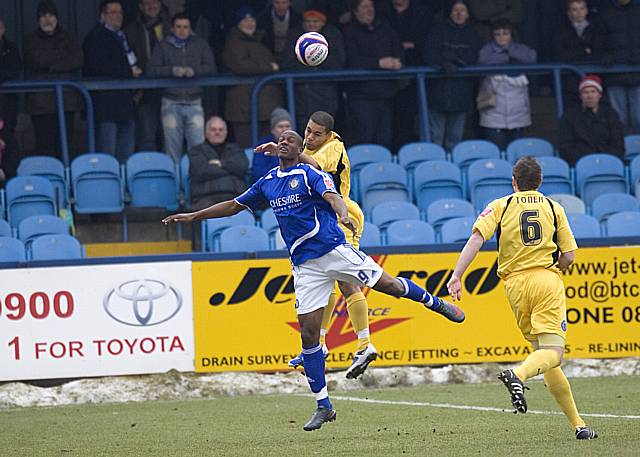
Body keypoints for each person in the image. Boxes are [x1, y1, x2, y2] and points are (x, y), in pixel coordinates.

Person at [163, 129, 465, 431]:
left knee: (388, 286)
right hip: (305, 267)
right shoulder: (268, 183)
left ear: (299, 148)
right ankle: (324, 405)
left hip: (333, 250)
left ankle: (435, 303)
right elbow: (233, 205)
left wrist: (344, 213)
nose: (284, 142)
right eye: (281, 139)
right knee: (308, 335)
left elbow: (332, 197)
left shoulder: (309, 174)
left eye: (291, 140)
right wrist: (192, 216)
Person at [256, 111, 465, 379]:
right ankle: (323, 346)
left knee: (346, 282)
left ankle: (363, 344)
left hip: (342, 216)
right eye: (307, 130)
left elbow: (316, 169)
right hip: (322, 219)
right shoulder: (306, 147)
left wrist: (287, 153)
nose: (309, 136)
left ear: (328, 135)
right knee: (327, 280)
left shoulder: (334, 147)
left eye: (316, 133)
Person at [446, 156, 598, 441]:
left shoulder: (500, 205)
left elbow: (477, 239)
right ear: (539, 182)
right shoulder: (554, 207)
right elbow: (569, 256)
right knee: (553, 353)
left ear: (514, 182)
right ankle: (518, 374)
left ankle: (578, 424)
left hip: (514, 286)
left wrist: (457, 275)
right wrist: (560, 269)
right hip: (545, 280)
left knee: (545, 355)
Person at [148, 13, 216, 163]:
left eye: (185, 27)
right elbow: (152, 69)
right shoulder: (163, 45)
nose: (182, 30)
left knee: (198, 148)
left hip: (194, 101)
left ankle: (195, 184)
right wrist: (173, 71)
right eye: (178, 27)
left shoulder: (200, 44)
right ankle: (175, 184)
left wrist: (194, 71)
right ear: (172, 28)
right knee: (172, 149)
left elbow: (211, 67)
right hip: (170, 101)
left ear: (190, 29)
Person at [83, 0, 142, 162]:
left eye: (120, 13)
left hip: (125, 104)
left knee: (126, 154)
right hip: (106, 107)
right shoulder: (95, 37)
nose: (118, 16)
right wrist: (129, 72)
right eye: (113, 13)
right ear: (102, 16)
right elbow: (100, 65)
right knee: (107, 155)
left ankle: (124, 186)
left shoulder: (122, 36)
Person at [24, 0, 84, 159]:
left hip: (66, 102)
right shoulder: (30, 39)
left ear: (57, 17)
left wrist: (50, 66)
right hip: (40, 105)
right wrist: (62, 60)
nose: (47, 20)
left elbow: (77, 60)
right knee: (44, 147)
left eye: (50, 15)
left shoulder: (70, 37)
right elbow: (36, 60)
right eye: (43, 16)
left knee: (65, 145)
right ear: (38, 19)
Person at [343, 0, 403, 149]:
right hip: (361, 95)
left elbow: (398, 48)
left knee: (384, 139)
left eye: (371, 6)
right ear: (355, 12)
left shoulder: (385, 28)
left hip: (385, 93)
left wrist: (398, 61)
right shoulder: (349, 32)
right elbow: (350, 60)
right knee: (364, 138)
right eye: (364, 7)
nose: (369, 10)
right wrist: (378, 63)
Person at [222, 6, 282, 148]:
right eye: (245, 20)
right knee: (249, 149)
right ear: (238, 23)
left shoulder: (258, 41)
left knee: (268, 149)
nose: (250, 23)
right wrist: (269, 68)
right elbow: (240, 66)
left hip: (265, 108)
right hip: (243, 109)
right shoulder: (233, 42)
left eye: (252, 20)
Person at [424, 0, 480, 152]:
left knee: (454, 139)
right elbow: (429, 55)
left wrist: (457, 61)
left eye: (463, 10)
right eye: (456, 10)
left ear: (468, 14)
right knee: (435, 137)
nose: (459, 13)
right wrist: (443, 63)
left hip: (461, 94)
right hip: (438, 92)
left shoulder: (473, 34)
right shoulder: (437, 31)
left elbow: (473, 57)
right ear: (449, 12)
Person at [280, 7, 346, 130]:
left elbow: (339, 62)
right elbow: (286, 62)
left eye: (315, 22)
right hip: (300, 100)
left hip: (326, 97)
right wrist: (309, 65)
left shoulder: (333, 35)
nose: (311, 24)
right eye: (308, 21)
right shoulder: (295, 35)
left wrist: (316, 62)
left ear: (323, 23)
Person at [477, 19, 537, 151]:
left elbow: (531, 58)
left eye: (505, 33)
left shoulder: (520, 48)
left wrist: (510, 53)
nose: (501, 37)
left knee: (517, 154)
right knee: (497, 153)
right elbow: (483, 61)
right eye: (497, 34)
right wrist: (507, 58)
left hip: (519, 112)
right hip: (493, 113)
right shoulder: (486, 50)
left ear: (511, 35)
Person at [124, 0, 172, 151]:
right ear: (140, 6)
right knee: (147, 137)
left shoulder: (172, 26)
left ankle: (171, 173)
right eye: (147, 2)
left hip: (171, 90)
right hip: (145, 91)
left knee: (171, 137)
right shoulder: (131, 29)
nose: (151, 6)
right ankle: (149, 172)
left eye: (155, 2)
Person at [558, 75, 625, 165]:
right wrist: (586, 161)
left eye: (593, 92)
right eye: (585, 92)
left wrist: (606, 160)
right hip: (580, 163)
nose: (589, 96)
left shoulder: (611, 114)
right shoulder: (569, 116)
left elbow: (618, 144)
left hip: (609, 162)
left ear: (599, 95)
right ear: (580, 96)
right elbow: (565, 146)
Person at [189, 115, 248, 210]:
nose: (217, 132)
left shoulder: (236, 149)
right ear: (206, 132)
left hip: (235, 197)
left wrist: (220, 164)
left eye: (221, 130)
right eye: (213, 130)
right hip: (206, 198)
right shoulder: (196, 151)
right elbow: (200, 172)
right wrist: (230, 169)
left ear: (226, 132)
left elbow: (242, 168)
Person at [553, 0, 604, 108]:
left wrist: (574, 52)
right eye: (574, 9)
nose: (579, 12)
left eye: (582, 8)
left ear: (586, 11)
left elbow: (599, 52)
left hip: (593, 79)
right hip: (570, 82)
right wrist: (584, 51)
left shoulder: (596, 29)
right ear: (569, 13)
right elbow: (560, 55)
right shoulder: (560, 31)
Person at [600, 0, 640, 134]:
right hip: (615, 74)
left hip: (637, 74)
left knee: (638, 117)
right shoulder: (605, 12)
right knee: (618, 120)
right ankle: (622, 153)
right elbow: (598, 40)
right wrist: (605, 55)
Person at [251, 107, 291, 183]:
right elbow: (258, 174)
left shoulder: (299, 144)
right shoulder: (263, 146)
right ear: (272, 130)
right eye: (280, 127)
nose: (284, 130)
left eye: (287, 126)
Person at [257, 0, 302, 64]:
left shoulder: (297, 19)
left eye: (284, 3)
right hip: (268, 57)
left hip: (290, 58)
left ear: (289, 3)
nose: (280, 6)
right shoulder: (262, 19)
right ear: (272, 2)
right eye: (277, 3)